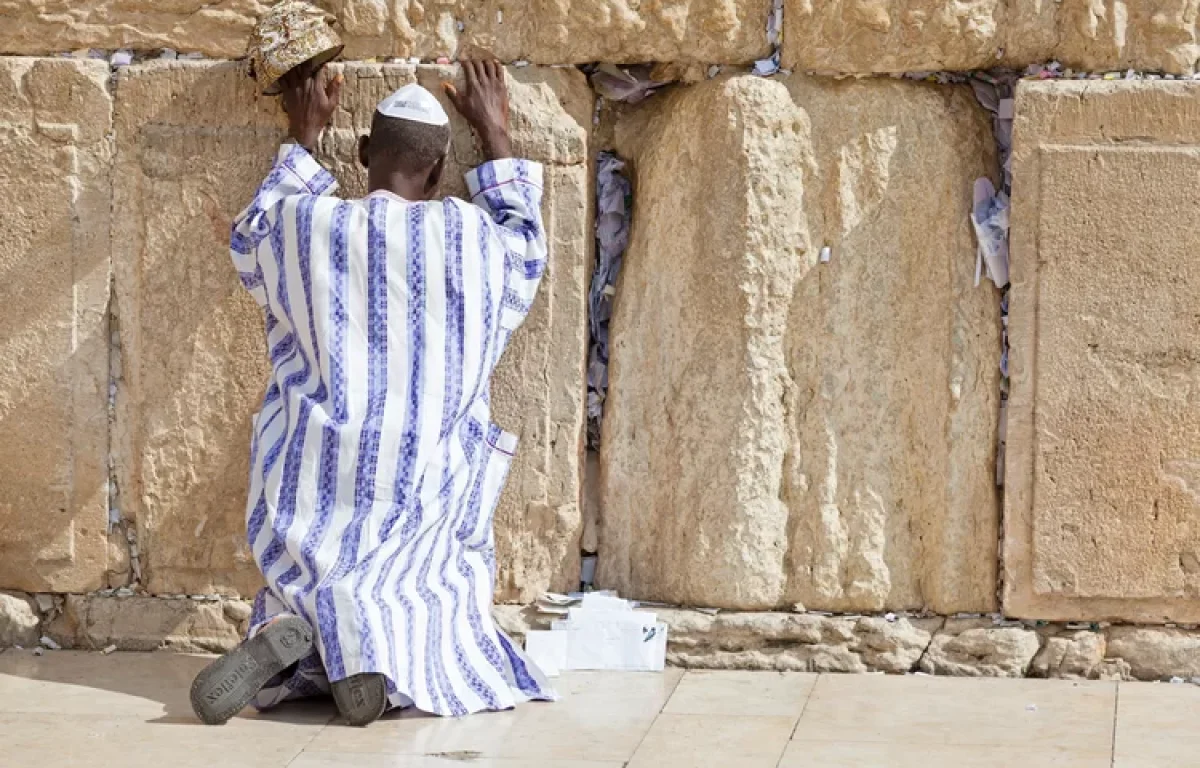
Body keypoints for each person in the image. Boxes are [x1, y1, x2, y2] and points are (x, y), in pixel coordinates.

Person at [189, 57, 556, 727]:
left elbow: (254, 234)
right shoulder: (475, 239)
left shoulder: (308, 227)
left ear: (362, 154)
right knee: (434, 590)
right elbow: (527, 244)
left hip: (314, 481)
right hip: (422, 481)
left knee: (304, 574)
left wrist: (303, 133)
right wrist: (496, 130)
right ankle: (376, 669)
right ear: (441, 171)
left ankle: (297, 650)